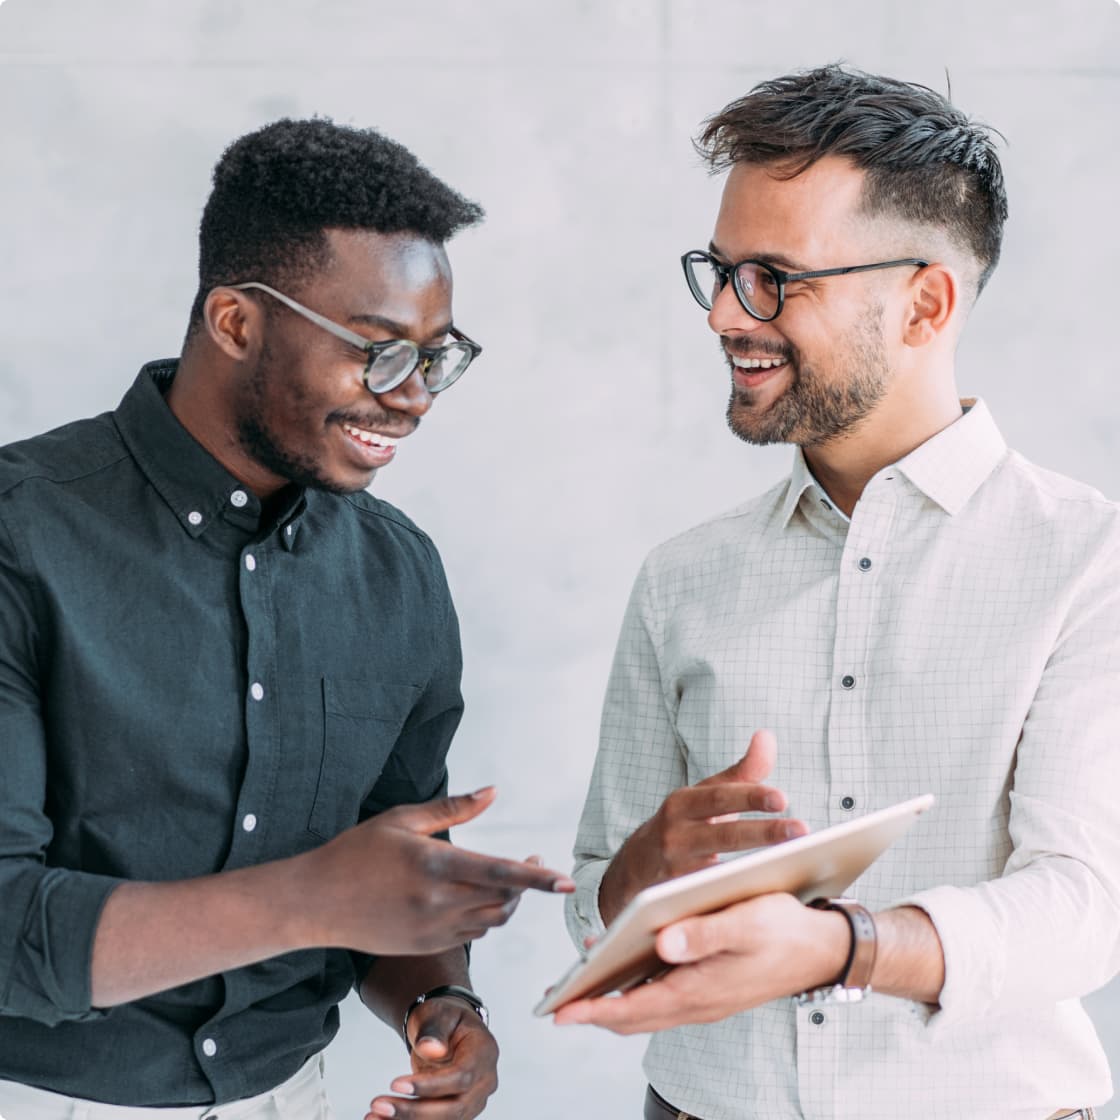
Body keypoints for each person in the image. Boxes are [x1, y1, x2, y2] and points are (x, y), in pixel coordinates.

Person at [557, 65, 1120, 1120]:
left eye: (774, 275)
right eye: (720, 271)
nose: (728, 314)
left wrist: (837, 947)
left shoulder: (1089, 560)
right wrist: (636, 875)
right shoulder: (682, 579)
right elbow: (597, 914)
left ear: (923, 303)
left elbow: (1085, 907)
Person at [0, 117, 574, 1120]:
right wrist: (315, 893)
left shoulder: (399, 574)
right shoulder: (21, 531)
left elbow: (387, 879)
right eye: (380, 354)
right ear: (234, 323)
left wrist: (442, 1003)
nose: (414, 401)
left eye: (436, 361)